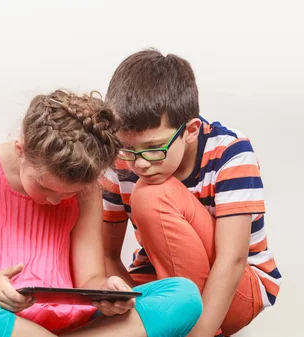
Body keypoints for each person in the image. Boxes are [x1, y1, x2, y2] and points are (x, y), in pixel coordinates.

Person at [0, 89, 202, 337]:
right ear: (21, 150)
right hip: (3, 320)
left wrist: (107, 292)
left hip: (73, 322)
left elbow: (90, 277)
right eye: (44, 186)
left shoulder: (87, 189)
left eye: (68, 194)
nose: (54, 200)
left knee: (183, 295)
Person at [100, 49, 281, 336]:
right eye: (129, 149)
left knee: (151, 195)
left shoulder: (230, 151)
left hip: (236, 286)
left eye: (155, 148)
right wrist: (127, 306)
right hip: (159, 280)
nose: (140, 164)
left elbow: (231, 260)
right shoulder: (121, 161)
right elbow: (107, 255)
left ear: (192, 130)